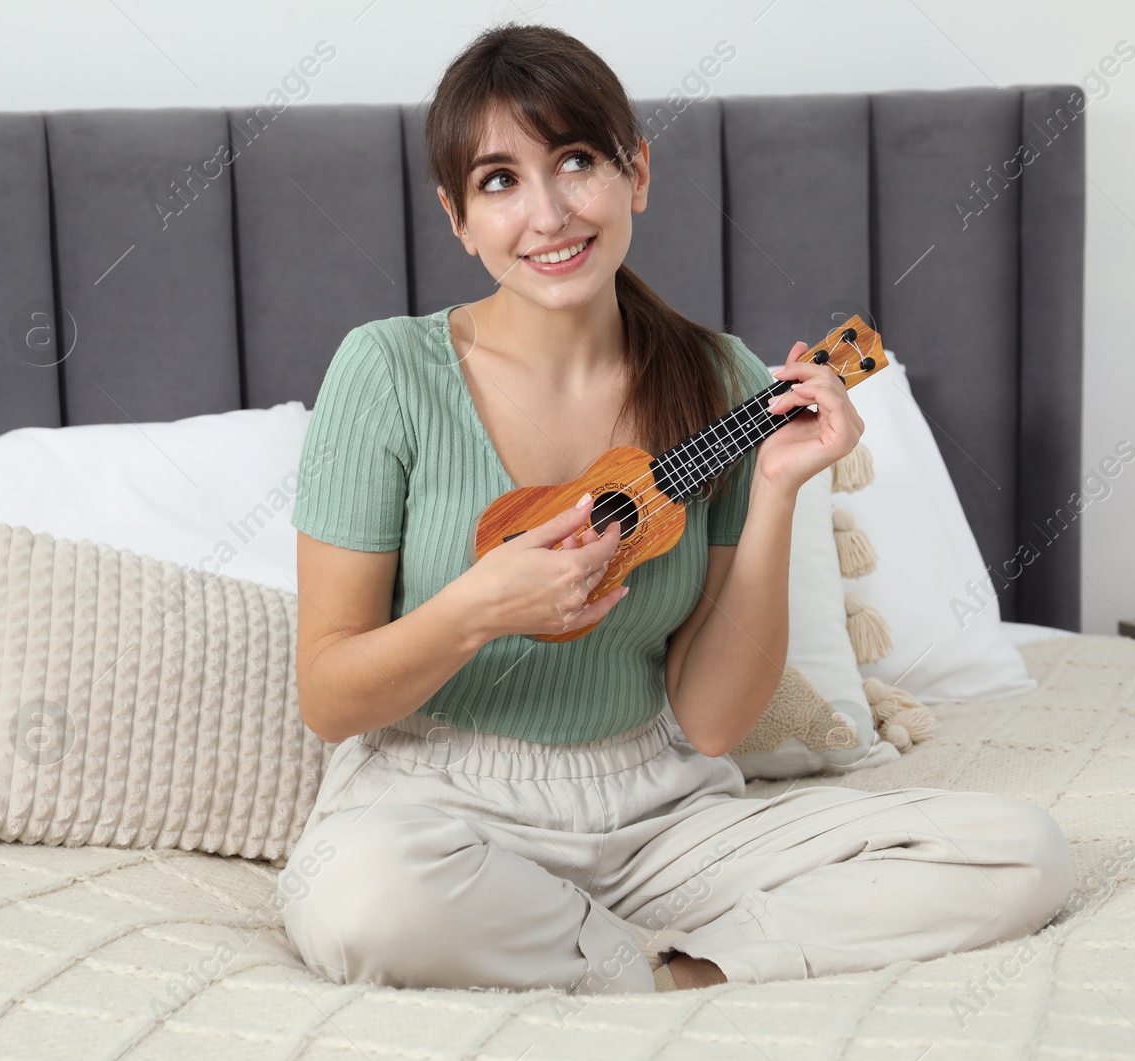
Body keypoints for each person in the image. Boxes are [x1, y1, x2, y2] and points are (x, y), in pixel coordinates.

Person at [277, 21, 1073, 997]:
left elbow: (710, 720)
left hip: (662, 818)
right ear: (456, 215)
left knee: (1017, 849)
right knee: (364, 898)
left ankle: (666, 963)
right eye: (498, 181)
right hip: (437, 811)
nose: (548, 214)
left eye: (576, 161)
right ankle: (642, 956)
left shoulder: (719, 379)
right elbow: (329, 695)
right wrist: (481, 607)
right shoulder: (386, 371)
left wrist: (780, 487)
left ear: (636, 172)